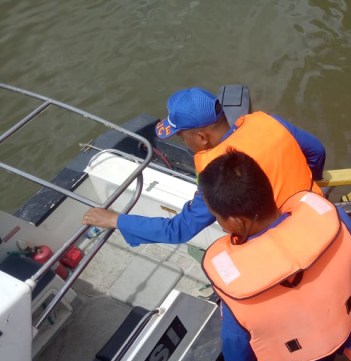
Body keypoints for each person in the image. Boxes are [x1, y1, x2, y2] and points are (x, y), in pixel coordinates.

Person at [199, 149, 351, 361]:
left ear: (237, 221)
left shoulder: (235, 284)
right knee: (325, 358)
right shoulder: (332, 217)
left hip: (296, 356)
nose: (220, 223)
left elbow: (235, 339)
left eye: (218, 217)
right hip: (341, 323)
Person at [82, 87, 326, 246]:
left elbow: (179, 229)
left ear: (201, 138)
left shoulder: (214, 170)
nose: (183, 142)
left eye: (181, 136)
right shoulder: (266, 121)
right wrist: (306, 181)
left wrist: (115, 220)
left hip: (286, 242)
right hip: (318, 213)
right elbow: (316, 152)